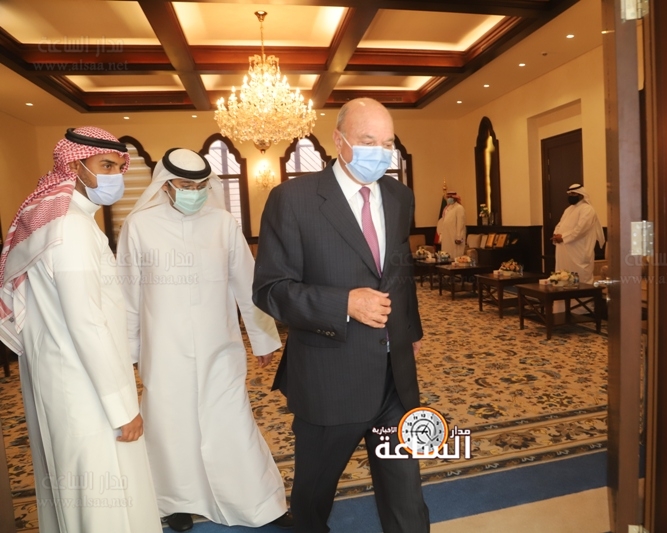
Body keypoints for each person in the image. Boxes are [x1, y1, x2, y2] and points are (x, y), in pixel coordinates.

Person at [253, 97, 430, 533]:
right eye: (368, 141)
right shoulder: (292, 199)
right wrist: (343, 304)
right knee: (314, 496)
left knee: (406, 493)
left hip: (394, 375)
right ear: (339, 140)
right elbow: (271, 290)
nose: (380, 153)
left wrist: (410, 330)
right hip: (330, 378)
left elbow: (398, 270)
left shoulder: (399, 196)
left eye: (388, 143)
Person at [117, 148, 292, 532]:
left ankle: (259, 502)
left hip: (220, 346)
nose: (193, 192)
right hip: (163, 349)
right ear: (166, 184)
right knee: (170, 425)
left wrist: (262, 338)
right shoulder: (139, 225)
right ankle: (174, 502)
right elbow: (128, 294)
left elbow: (247, 283)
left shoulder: (222, 223)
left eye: (200, 185)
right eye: (185, 185)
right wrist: (129, 352)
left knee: (231, 419)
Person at [0, 127, 161, 532]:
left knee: (77, 488)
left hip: (61, 377)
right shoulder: (71, 228)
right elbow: (86, 323)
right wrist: (123, 409)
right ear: (74, 166)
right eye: (106, 165)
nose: (116, 176)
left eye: (119, 167)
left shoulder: (54, 224)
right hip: (87, 388)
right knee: (102, 498)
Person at [551, 183, 606, 283]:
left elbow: (581, 230)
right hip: (564, 249)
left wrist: (563, 237)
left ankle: (583, 293)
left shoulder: (587, 209)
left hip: (579, 250)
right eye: (569, 194)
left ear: (580, 195)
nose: (570, 196)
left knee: (580, 278)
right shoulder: (568, 209)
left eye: (573, 194)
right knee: (563, 275)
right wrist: (556, 234)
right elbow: (560, 224)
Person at [435, 191, 466, 257]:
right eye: (448, 197)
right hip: (446, 237)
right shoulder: (447, 209)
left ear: (454, 198)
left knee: (455, 255)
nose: (449, 199)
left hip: (455, 238)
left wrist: (459, 238)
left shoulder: (459, 208)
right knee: (445, 254)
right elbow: (443, 222)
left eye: (450, 197)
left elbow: (460, 224)